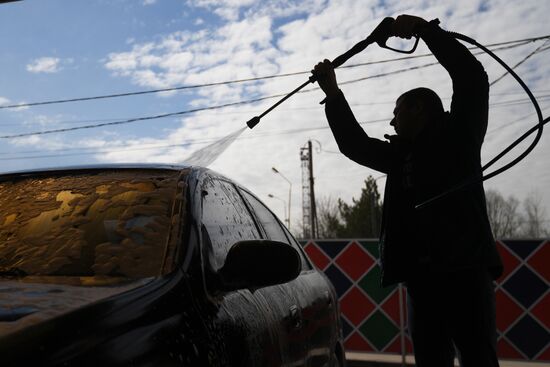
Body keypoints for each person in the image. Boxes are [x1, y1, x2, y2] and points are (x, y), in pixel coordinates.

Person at [313, 15, 503, 367]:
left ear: (419, 109)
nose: (391, 120)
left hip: (464, 274)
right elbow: (355, 145)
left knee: (478, 357)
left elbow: (471, 78)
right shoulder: (399, 156)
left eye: (396, 110)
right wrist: (334, 94)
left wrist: (427, 32)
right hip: (422, 280)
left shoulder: (460, 135)